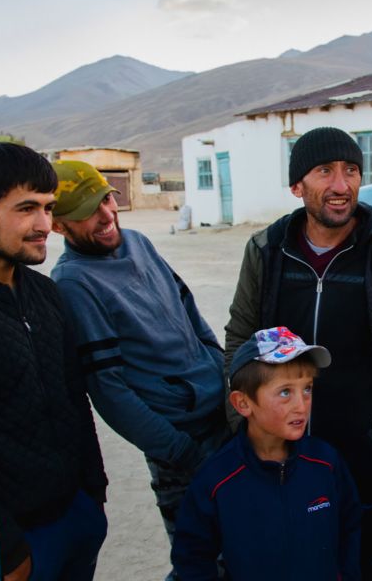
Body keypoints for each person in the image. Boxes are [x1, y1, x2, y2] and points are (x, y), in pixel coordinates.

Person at [224, 126, 372, 580]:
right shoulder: (267, 252)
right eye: (324, 171)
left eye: (351, 170)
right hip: (278, 458)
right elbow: (239, 342)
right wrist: (247, 425)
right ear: (296, 186)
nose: (341, 185)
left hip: (364, 461)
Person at [48, 160, 230, 579]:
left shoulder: (139, 242)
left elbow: (188, 311)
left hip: (224, 419)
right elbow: (108, 390)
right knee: (200, 563)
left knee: (242, 542)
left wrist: (220, 371)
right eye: (86, 212)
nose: (107, 216)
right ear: (59, 226)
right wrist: (179, 452)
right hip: (182, 445)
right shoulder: (74, 284)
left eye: (106, 200)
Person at [0, 141, 109, 580]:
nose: (44, 224)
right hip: (16, 542)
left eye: (49, 209)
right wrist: (6, 547)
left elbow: (74, 394)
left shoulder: (45, 293)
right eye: (26, 208)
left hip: (76, 515)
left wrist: (94, 493)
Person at [173, 327, 361, 580]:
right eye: (285, 392)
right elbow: (192, 556)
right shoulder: (216, 479)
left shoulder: (325, 462)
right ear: (243, 403)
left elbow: (350, 528)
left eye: (307, 388)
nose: (301, 405)